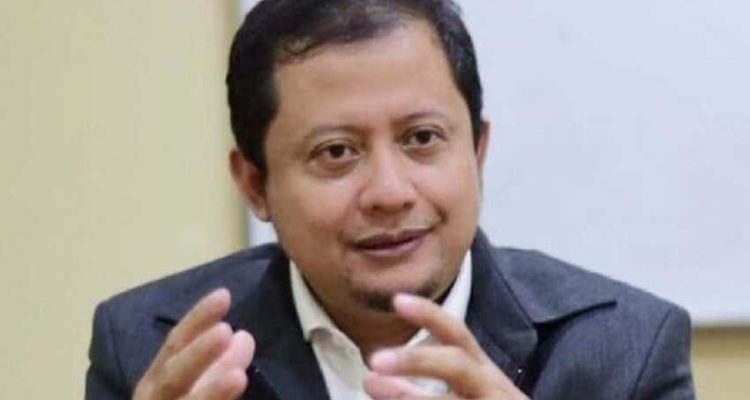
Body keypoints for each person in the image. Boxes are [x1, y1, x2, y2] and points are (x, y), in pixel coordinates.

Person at [85, 1, 695, 399]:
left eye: (421, 139)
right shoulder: (150, 349)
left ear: (478, 151)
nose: (389, 192)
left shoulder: (625, 352)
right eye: (336, 152)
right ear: (254, 185)